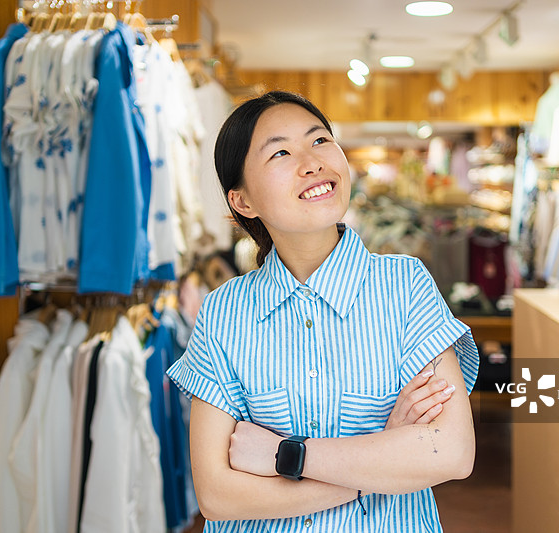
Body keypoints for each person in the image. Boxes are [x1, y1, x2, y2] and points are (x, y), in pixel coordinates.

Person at [167, 90, 479, 531]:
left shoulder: (405, 286)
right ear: (243, 202)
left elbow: (450, 452)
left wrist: (286, 455)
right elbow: (218, 496)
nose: (312, 162)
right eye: (280, 152)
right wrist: (384, 454)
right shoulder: (223, 312)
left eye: (319, 140)